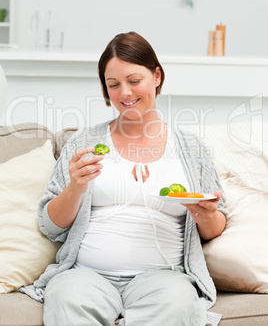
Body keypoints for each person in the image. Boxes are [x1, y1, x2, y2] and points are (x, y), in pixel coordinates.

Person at [23, 31, 227, 326]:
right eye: (113, 85)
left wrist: (206, 215)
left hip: (164, 278)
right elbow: (50, 225)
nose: (125, 94)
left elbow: (216, 226)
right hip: (86, 276)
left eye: (134, 81)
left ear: (156, 76)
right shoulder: (85, 143)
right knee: (66, 298)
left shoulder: (191, 149)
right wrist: (75, 188)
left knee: (179, 304)